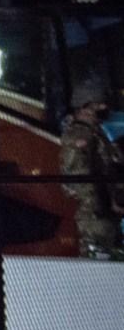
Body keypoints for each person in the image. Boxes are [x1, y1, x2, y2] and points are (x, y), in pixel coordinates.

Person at [59, 78, 124, 260]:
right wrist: (105, 203)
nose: (104, 107)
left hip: (105, 217)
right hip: (95, 218)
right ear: (85, 106)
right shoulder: (79, 136)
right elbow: (79, 178)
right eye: (99, 104)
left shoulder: (96, 133)